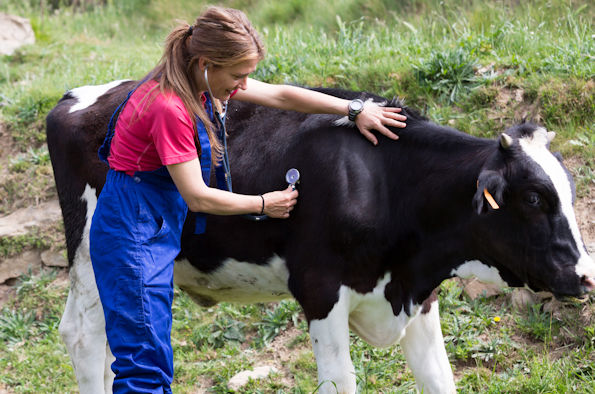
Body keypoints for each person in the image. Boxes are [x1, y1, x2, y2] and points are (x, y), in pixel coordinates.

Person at [89, 6, 407, 393]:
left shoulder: (194, 79)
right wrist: (262, 204)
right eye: (237, 75)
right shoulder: (169, 107)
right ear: (206, 62)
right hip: (133, 229)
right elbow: (197, 197)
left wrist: (353, 108)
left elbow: (280, 95)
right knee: (144, 366)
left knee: (151, 353)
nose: (242, 85)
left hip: (151, 221)